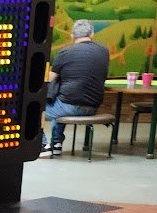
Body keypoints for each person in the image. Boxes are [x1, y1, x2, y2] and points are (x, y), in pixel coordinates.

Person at [44, 20, 109, 153]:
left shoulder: (65, 53)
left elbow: (49, 79)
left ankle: (42, 145)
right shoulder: (104, 51)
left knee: (33, 110)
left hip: (69, 107)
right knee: (61, 99)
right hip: (93, 107)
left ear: (72, 35)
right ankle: (56, 144)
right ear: (92, 34)